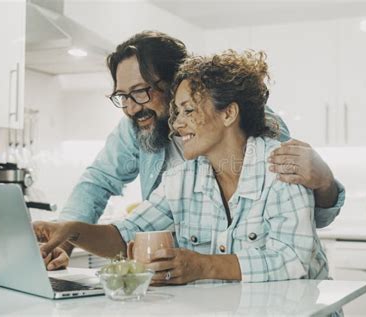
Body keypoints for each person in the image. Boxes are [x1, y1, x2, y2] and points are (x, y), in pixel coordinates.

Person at [44, 31, 345, 271]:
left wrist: (325, 184)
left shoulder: (271, 150)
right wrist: (66, 232)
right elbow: (111, 205)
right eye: (123, 95)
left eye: (140, 91)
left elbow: (295, 241)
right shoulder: (177, 170)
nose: (131, 106)